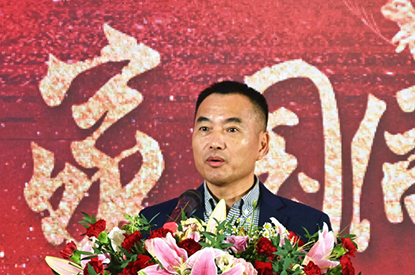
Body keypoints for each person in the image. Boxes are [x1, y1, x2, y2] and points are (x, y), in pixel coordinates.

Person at [139, 80, 331, 238]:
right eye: (205, 128)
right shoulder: (155, 223)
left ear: (262, 145)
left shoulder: (309, 226)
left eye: (232, 130)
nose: (215, 143)